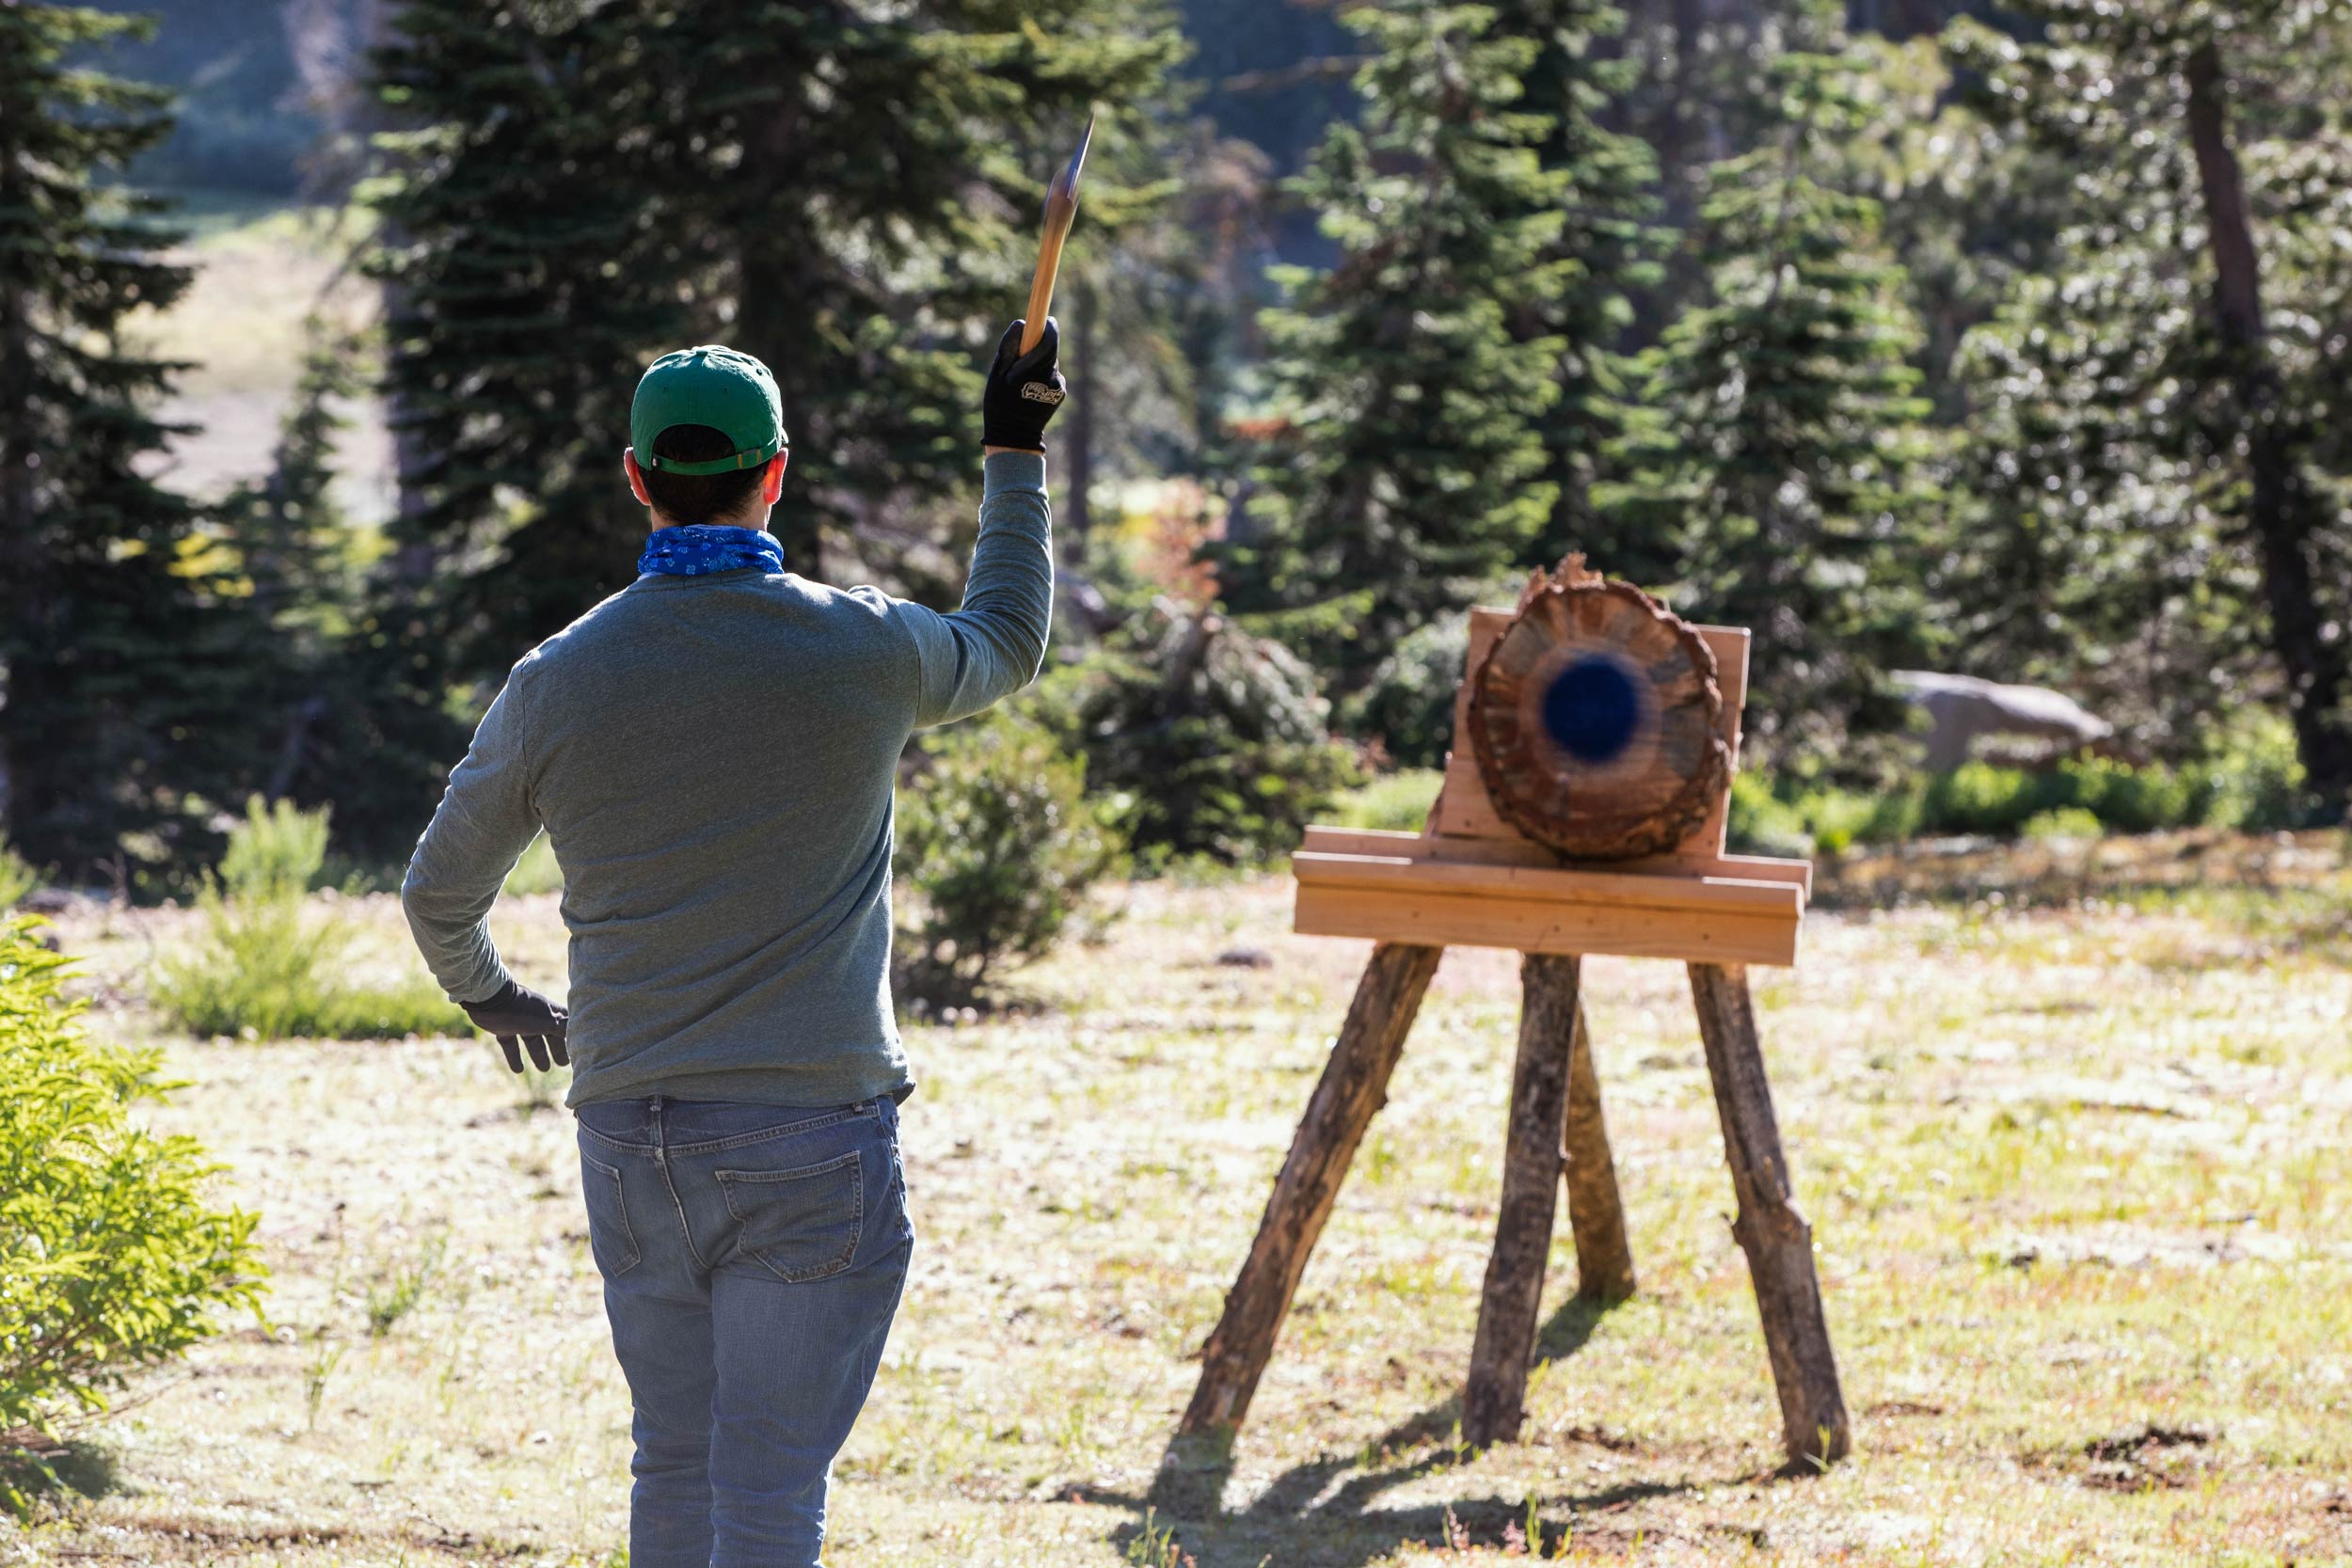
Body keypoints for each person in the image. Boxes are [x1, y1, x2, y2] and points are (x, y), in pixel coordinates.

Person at [399, 320, 1067, 1568]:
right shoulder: (867, 649)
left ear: (637, 478)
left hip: (626, 1133)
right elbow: (1010, 640)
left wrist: (494, 998)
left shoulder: (556, 678)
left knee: (677, 1462)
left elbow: (438, 895)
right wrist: (1012, 448)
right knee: (765, 1497)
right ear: (777, 474)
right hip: (811, 1135)